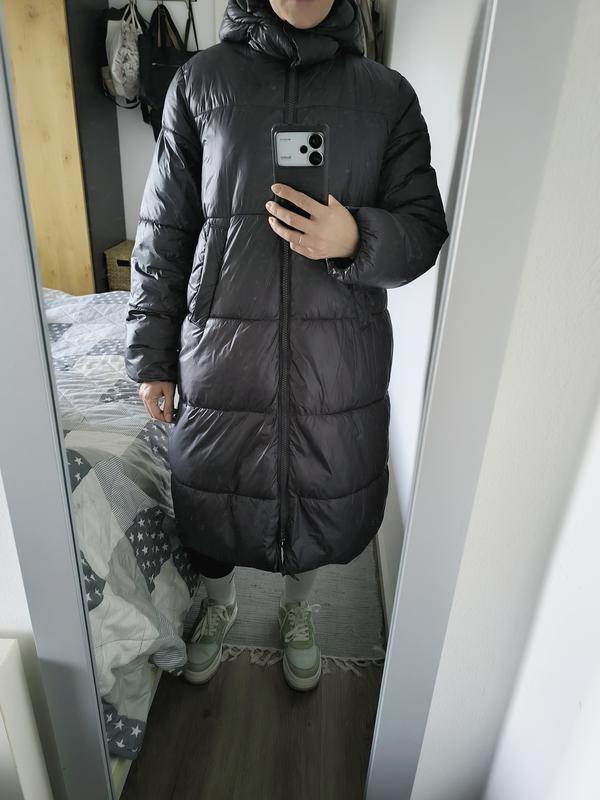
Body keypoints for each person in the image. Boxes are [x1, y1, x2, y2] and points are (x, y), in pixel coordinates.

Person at [124, 0, 449, 692]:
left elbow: (424, 228)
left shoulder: (386, 95)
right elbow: (164, 229)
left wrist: (356, 237)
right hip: (222, 349)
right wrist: (152, 355)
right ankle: (221, 605)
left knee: (321, 492)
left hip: (336, 359)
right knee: (212, 493)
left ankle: (299, 609)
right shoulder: (200, 82)